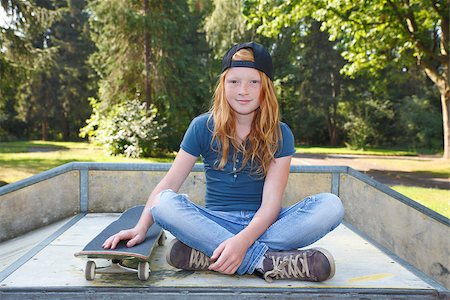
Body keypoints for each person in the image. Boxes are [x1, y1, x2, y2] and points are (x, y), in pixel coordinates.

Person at [103, 42, 344, 282]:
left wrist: (243, 241)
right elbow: (170, 182)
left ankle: (212, 254)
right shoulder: (202, 127)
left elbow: (271, 205)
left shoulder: (280, 134)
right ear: (223, 85)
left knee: (331, 206)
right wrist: (141, 228)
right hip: (215, 222)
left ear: (266, 88)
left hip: (265, 224)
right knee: (164, 202)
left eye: (253, 82)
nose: (243, 90)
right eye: (234, 81)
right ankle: (265, 262)